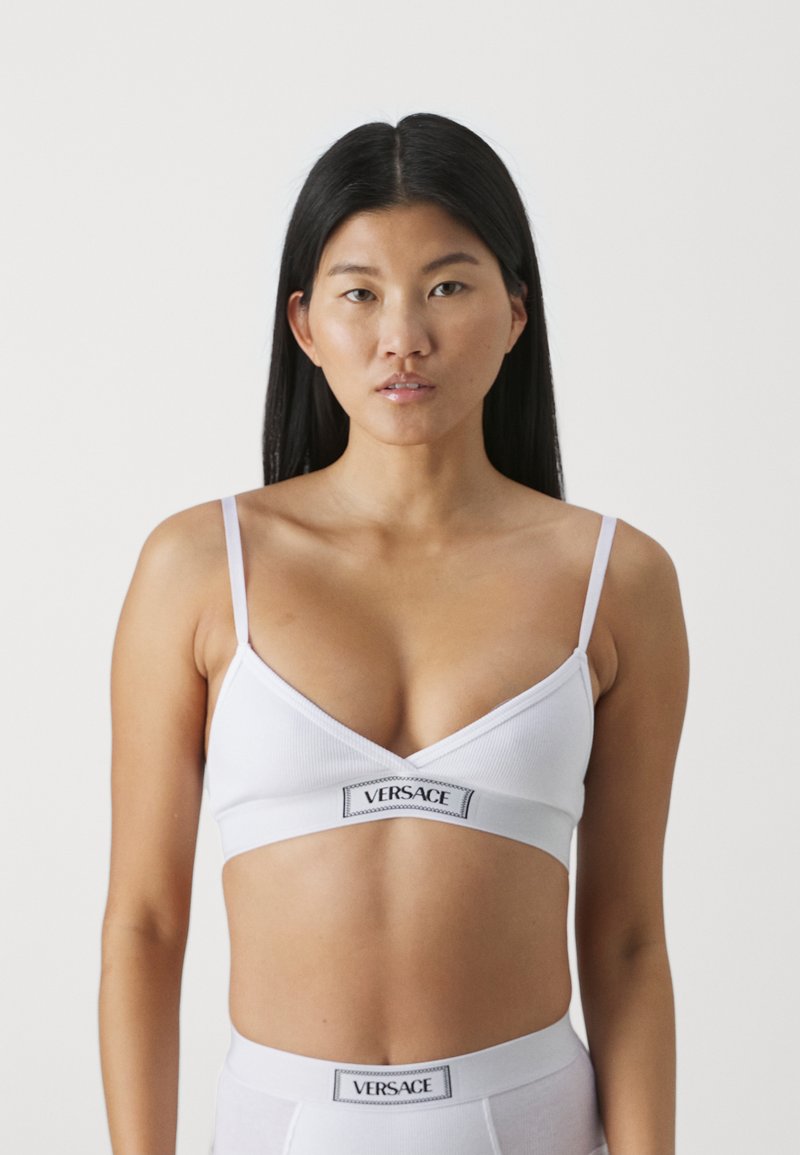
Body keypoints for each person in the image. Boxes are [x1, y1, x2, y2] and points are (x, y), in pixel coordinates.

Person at [99, 113, 689, 1155]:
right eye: (360, 293)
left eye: (447, 288)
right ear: (303, 323)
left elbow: (629, 940)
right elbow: (145, 923)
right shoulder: (197, 568)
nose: (402, 337)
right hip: (283, 1127)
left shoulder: (617, 580)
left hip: (529, 1124)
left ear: (515, 312)